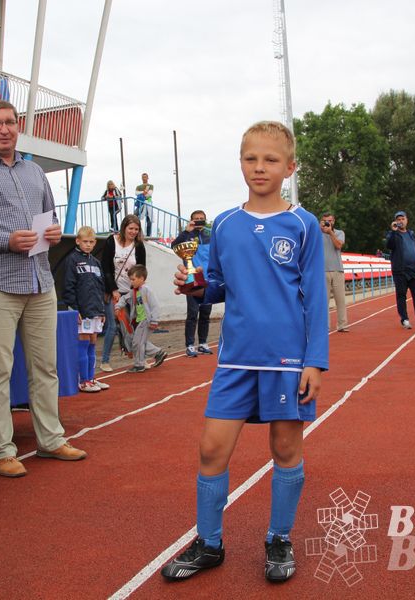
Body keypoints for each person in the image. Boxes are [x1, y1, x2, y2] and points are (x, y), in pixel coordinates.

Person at [161, 121, 328, 583]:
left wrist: (315, 361)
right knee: (212, 448)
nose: (260, 167)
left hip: (287, 361)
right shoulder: (225, 224)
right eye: (251, 158)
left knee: (286, 448)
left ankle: (279, 538)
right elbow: (217, 285)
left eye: (271, 159)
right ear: (240, 163)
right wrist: (196, 287)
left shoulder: (303, 224)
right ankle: (210, 544)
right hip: (235, 359)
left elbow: (315, 298)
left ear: (289, 167)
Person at [0, 99, 86, 478]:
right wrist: (4, 240)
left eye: (9, 122)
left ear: (17, 127)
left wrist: (53, 232)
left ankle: (51, 439)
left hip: (40, 282)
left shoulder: (35, 171)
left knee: (46, 368)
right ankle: (0, 449)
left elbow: (50, 218)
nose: (4, 129)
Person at [61, 226, 109, 393]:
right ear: (78, 241)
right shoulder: (72, 260)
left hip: (95, 310)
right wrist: (75, 309)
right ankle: (83, 381)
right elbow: (68, 286)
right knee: (83, 343)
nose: (88, 245)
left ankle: (91, 378)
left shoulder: (95, 262)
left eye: (91, 242)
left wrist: (101, 310)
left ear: (95, 243)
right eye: (85, 241)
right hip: (82, 311)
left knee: (92, 344)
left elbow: (100, 288)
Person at [99, 214, 146, 372]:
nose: (133, 232)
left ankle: (139, 359)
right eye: (131, 228)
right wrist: (113, 289)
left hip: (131, 291)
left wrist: (138, 289)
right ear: (124, 227)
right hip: (113, 291)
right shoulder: (111, 241)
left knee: (136, 326)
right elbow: (105, 267)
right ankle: (105, 361)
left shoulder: (139, 245)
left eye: (136, 229)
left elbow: (142, 269)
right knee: (113, 326)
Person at [172, 210, 214, 357]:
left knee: (205, 314)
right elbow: (174, 245)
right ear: (191, 220)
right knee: (192, 314)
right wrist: (186, 231)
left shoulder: (210, 236)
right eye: (196, 219)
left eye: (202, 219)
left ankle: (203, 343)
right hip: (191, 280)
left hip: (207, 280)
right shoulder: (187, 236)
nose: (199, 221)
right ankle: (190, 345)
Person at [386, 211, 415, 329]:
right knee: (401, 295)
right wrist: (393, 231)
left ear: (406, 220)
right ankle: (405, 319)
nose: (400, 221)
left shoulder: (411, 234)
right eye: (398, 219)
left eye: (402, 219)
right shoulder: (393, 234)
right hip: (400, 270)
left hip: (413, 269)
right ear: (395, 221)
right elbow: (389, 245)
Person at [115, 264, 167, 372]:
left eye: (133, 279)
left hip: (146, 321)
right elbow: (124, 298)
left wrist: (154, 320)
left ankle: (139, 365)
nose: (131, 282)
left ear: (142, 278)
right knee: (139, 341)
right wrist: (118, 306)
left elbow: (155, 305)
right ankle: (158, 353)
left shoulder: (147, 290)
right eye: (130, 279)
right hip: (140, 321)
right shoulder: (134, 291)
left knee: (137, 342)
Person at [320, 212, 349, 332]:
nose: (328, 223)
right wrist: (319, 228)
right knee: (324, 302)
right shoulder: (317, 233)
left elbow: (338, 245)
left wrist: (330, 232)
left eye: (330, 220)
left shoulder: (339, 233)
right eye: (325, 221)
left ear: (334, 221)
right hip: (322, 271)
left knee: (340, 300)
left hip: (338, 270)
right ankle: (324, 326)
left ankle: (342, 325)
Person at [134, 172, 154, 236]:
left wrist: (142, 193)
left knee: (149, 219)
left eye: (145, 177)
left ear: (147, 178)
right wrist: (144, 192)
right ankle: (139, 232)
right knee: (135, 215)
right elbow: (136, 193)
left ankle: (148, 235)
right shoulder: (138, 186)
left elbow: (149, 194)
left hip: (148, 202)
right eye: (143, 177)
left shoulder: (151, 186)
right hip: (141, 202)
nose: (144, 178)